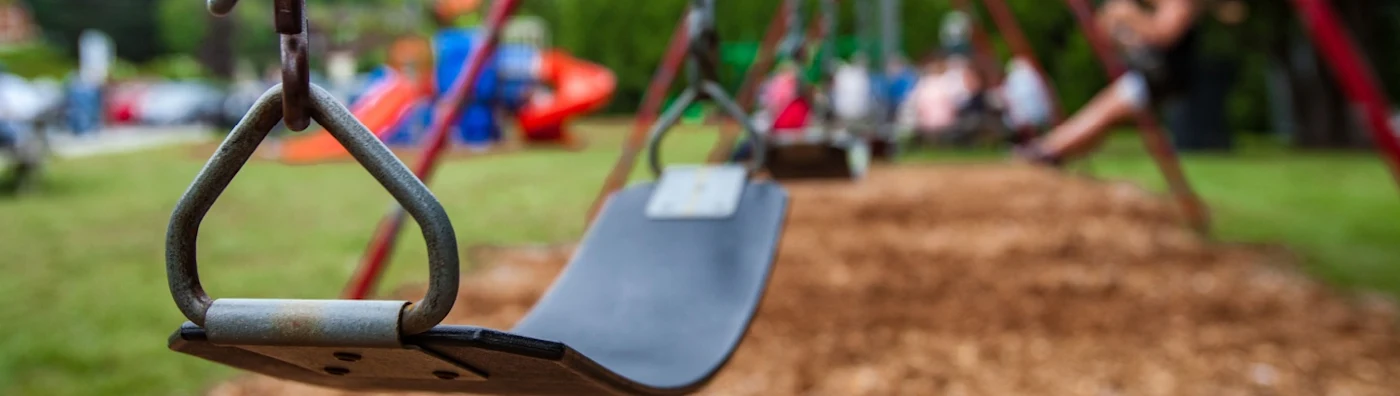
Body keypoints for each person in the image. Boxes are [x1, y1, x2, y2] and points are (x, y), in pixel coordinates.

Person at [1014, 0, 1200, 165]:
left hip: (1160, 77)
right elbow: (1114, 37)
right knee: (1103, 119)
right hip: (1150, 76)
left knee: (1102, 112)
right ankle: (1053, 152)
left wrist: (1130, 15)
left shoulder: (1178, 4)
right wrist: (1115, 25)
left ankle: (1047, 151)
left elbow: (1164, 34)